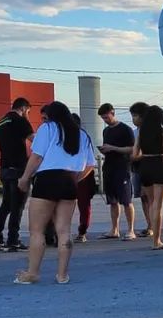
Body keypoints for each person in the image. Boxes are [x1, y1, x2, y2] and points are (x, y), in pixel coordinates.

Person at [14, 101, 95, 284]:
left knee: (37, 231)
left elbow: (37, 156)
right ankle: (62, 275)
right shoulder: (82, 134)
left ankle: (32, 273)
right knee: (64, 230)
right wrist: (75, 179)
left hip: (47, 179)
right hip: (69, 180)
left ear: (50, 116)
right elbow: (90, 164)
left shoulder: (47, 128)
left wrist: (25, 178)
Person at [131, 102, 163, 251]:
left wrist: (145, 155)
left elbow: (134, 154)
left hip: (145, 166)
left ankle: (152, 231)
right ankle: (157, 241)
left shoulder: (141, 131)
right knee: (158, 205)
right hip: (158, 164)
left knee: (151, 203)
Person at [0, 97, 34, 252]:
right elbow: (34, 140)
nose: (27, 114)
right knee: (18, 206)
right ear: (23, 108)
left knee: (6, 205)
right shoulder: (20, 120)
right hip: (19, 168)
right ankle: (13, 240)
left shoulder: (0, 122)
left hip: (4, 168)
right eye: (28, 111)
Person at [97, 103, 136, 240]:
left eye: (107, 117)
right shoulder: (106, 131)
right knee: (113, 201)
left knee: (126, 200)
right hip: (109, 166)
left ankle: (131, 230)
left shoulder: (126, 129)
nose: (105, 120)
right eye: (103, 118)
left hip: (122, 167)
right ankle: (115, 229)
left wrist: (113, 148)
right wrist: (105, 149)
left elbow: (132, 149)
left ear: (113, 113)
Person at [71, 113, 97, 243]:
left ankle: (82, 231)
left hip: (82, 174)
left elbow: (91, 163)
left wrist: (78, 177)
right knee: (75, 204)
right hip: (74, 174)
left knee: (83, 204)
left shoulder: (83, 137)